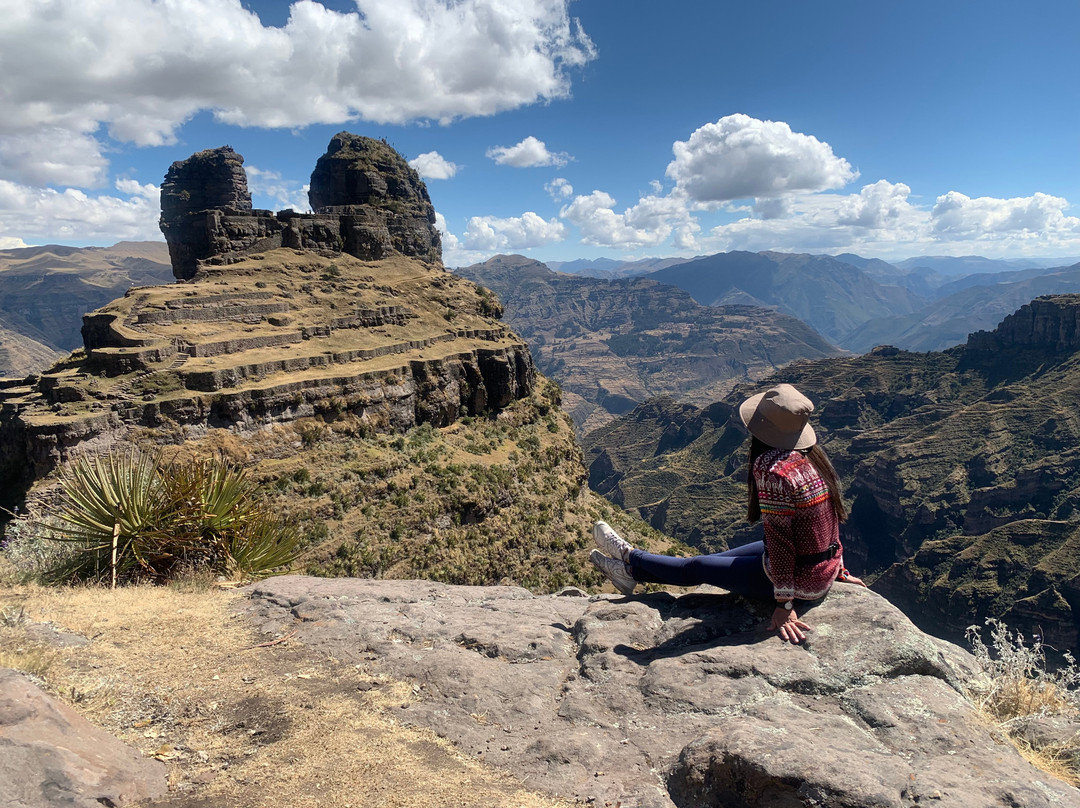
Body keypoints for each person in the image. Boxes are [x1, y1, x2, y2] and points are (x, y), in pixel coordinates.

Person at [589, 383, 864, 644]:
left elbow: (782, 544)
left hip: (799, 578)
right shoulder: (813, 457)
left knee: (697, 568)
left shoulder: (772, 470)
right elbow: (828, 523)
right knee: (705, 561)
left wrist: (785, 604)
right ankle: (630, 571)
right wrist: (838, 567)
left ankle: (630, 557)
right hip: (816, 567)